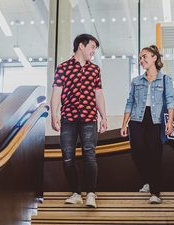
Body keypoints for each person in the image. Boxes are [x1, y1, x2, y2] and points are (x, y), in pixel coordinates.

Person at [51, 33, 107, 208]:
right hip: (68, 118)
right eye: (92, 47)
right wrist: (54, 114)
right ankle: (76, 192)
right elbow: (56, 92)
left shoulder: (95, 69)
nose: (93, 52)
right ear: (81, 46)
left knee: (89, 153)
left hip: (90, 118)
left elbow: (98, 93)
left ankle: (91, 193)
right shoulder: (63, 67)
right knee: (67, 156)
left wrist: (104, 116)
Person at [120, 45, 174, 204]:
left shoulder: (166, 80)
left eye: (144, 56)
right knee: (137, 153)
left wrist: (170, 122)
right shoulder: (136, 81)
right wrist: (124, 124)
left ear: (154, 58)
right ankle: (149, 180)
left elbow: (171, 101)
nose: (141, 60)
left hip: (156, 120)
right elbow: (129, 103)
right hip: (137, 120)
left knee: (155, 155)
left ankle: (155, 193)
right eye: (139, 58)